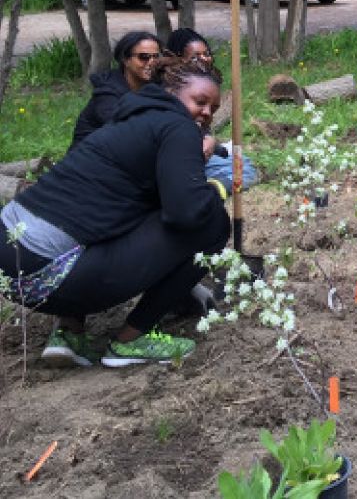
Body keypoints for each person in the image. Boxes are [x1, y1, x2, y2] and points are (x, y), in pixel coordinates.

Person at [0, 57, 231, 368]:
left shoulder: (128, 118)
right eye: (200, 102)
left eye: (213, 109)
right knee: (213, 222)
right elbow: (186, 214)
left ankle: (70, 330)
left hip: (11, 265)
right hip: (46, 276)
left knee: (107, 215)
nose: (206, 114)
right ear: (173, 93)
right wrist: (219, 186)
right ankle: (131, 340)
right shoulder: (178, 127)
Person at [165, 28, 260, 193]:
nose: (203, 59)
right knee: (242, 170)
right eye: (195, 57)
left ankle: (217, 186)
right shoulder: (172, 91)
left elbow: (203, 128)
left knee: (243, 165)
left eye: (206, 54)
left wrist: (210, 141)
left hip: (202, 156)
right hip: (179, 161)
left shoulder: (209, 83)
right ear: (178, 59)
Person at [70, 31, 161, 148]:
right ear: (125, 60)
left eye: (156, 57)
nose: (151, 63)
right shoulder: (107, 95)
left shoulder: (157, 86)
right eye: (144, 57)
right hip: (89, 160)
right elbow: (127, 132)